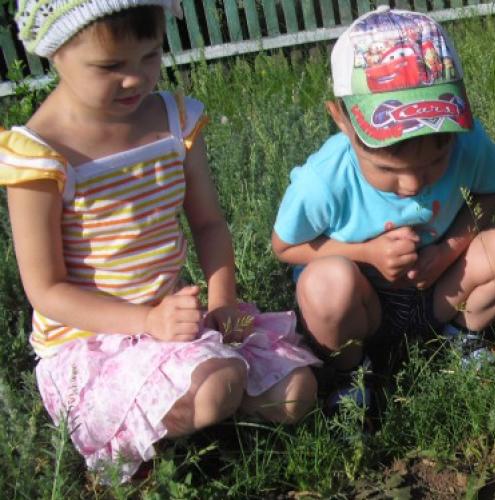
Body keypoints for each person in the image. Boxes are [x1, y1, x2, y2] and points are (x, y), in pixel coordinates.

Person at [2, 0, 320, 481]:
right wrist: (146, 320)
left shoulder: (173, 121)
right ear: (55, 52)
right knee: (219, 385)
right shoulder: (43, 153)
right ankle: (130, 437)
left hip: (174, 320)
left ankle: (196, 406)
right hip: (91, 340)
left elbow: (208, 224)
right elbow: (46, 290)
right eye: (110, 66)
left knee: (298, 392)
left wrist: (223, 301)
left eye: (149, 56)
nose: (135, 79)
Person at [272, 6, 495, 409]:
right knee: (324, 284)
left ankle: (462, 334)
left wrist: (448, 251)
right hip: (363, 304)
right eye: (387, 168)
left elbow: (490, 192)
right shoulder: (324, 179)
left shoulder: (465, 142)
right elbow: (285, 247)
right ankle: (352, 373)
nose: (413, 184)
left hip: (440, 286)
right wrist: (366, 254)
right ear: (342, 120)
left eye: (434, 161)